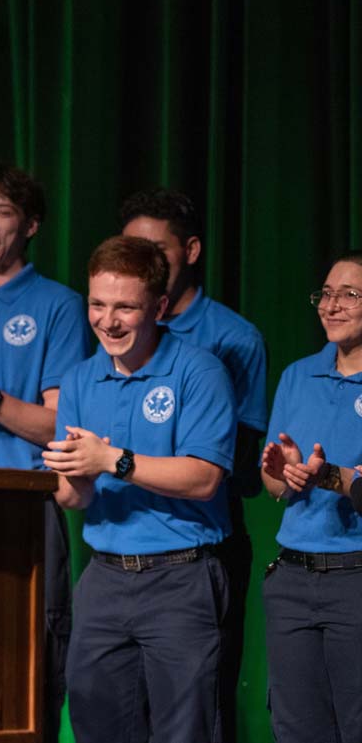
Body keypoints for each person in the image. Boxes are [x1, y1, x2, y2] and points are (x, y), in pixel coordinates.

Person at [43, 235, 236, 743]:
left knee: (184, 728)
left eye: (126, 307)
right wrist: (72, 478)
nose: (109, 321)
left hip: (181, 576)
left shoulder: (199, 371)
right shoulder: (81, 379)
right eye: (98, 305)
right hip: (104, 578)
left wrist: (112, 459)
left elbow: (204, 478)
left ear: (160, 306)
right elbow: (75, 499)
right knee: (94, 720)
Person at [120, 188, 267, 742]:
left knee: (201, 702)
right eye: (131, 248)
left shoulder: (233, 339)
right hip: (126, 545)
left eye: (157, 249)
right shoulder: (115, 332)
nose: (144, 263)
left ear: (192, 250)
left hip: (205, 546)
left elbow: (240, 466)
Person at [0, 165, 88, 743]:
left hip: (27, 501)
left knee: (35, 651)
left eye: (4, 212)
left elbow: (60, 424)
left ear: (30, 225)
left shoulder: (58, 306)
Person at [260, 250, 362, 742]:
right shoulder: (298, 375)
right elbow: (277, 486)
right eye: (325, 293)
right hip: (293, 580)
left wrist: (330, 477)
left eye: (350, 294)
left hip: (355, 579)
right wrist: (284, 473)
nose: (332, 305)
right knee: (297, 728)